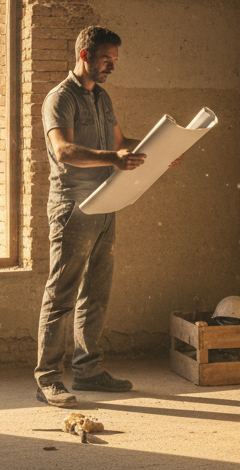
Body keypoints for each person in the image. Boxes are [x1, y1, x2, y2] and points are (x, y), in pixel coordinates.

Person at [34, 26, 178, 407]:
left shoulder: (102, 97)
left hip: (108, 200)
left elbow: (119, 144)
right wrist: (112, 160)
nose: (112, 67)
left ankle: (88, 371)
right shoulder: (59, 99)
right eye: (105, 60)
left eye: (114, 61)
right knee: (61, 293)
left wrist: (160, 150)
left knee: (96, 292)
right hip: (73, 207)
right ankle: (47, 379)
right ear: (84, 55)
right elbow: (63, 151)